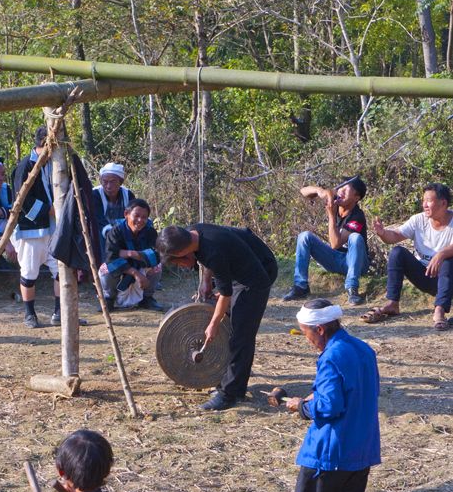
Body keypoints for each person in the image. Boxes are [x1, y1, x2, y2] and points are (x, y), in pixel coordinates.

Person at [269, 298, 426, 492]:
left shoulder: (331, 356)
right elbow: (358, 392)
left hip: (329, 452)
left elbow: (330, 407)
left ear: (320, 329)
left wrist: (301, 407)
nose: (307, 340)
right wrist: (309, 399)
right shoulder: (362, 349)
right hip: (361, 447)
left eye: (306, 333)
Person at [156, 223, 278, 411]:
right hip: (244, 264)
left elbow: (226, 293)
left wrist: (213, 323)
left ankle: (230, 393)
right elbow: (207, 263)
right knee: (230, 325)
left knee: (240, 335)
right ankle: (227, 377)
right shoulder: (193, 232)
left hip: (256, 277)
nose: (183, 267)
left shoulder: (214, 252)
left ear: (182, 253)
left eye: (178, 263)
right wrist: (206, 282)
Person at [363, 182, 453, 330]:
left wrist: (441, 254)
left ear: (443, 203)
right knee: (397, 252)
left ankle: (440, 310)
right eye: (423, 200)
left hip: (448, 279)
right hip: (425, 276)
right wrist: (383, 233)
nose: (424, 205)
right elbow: (396, 235)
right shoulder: (419, 220)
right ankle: (393, 303)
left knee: (448, 260)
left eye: (429, 201)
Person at [283, 175, 368, 306]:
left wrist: (331, 216)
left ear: (356, 198)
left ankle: (352, 288)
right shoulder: (336, 201)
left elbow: (335, 244)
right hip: (336, 260)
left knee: (355, 238)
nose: (341, 192)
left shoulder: (357, 216)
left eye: (347, 190)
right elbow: (303, 191)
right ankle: (301, 286)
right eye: (341, 188)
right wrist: (320, 191)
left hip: (356, 263)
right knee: (304, 236)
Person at [11, 126, 60, 328]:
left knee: (60, 270)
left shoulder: (57, 163)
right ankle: (29, 314)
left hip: (54, 228)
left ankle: (59, 312)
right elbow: (21, 200)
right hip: (31, 230)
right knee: (29, 272)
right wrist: (49, 210)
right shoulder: (24, 167)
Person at [100, 199, 163, 311]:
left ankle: (147, 298)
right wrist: (136, 273)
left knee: (157, 267)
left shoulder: (150, 232)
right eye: (136, 215)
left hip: (141, 265)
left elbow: (156, 256)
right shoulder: (115, 231)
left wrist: (130, 253)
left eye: (144, 217)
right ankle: (109, 299)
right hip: (122, 268)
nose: (140, 220)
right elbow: (111, 258)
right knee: (106, 269)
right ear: (126, 214)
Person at [92, 163, 136, 239]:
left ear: (121, 182)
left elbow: (133, 215)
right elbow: (97, 219)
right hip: (102, 233)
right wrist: (111, 235)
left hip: (123, 232)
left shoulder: (128, 194)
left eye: (113, 182)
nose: (108, 186)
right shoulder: (95, 194)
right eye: (105, 182)